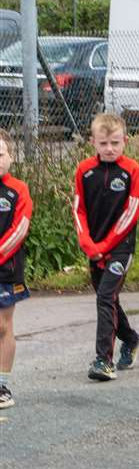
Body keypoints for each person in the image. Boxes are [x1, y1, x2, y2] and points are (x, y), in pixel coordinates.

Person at [73, 112, 139, 382]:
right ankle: (132, 338)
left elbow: (132, 211)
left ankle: (104, 360)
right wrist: (89, 244)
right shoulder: (84, 170)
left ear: (125, 141)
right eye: (103, 144)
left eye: (115, 143)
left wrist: (105, 245)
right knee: (108, 298)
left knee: (104, 297)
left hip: (120, 247)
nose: (109, 149)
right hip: (94, 248)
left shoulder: (132, 170)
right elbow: (78, 209)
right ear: (93, 142)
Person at [0, 129, 31, 409]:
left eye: (0, 154)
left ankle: (2, 385)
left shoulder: (18, 189)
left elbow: (20, 228)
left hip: (7, 270)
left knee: (2, 325)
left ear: (10, 156)